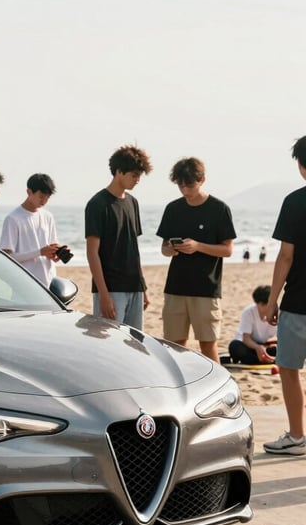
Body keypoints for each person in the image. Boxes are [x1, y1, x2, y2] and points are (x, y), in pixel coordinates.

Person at [156, 157, 236, 363]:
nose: (184, 189)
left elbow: (227, 250)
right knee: (174, 346)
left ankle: (217, 390)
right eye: (180, 184)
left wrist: (198, 246)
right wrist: (170, 249)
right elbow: (164, 249)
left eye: (189, 184)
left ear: (202, 180)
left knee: (208, 345)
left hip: (206, 288)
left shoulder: (219, 209)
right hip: (175, 286)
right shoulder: (173, 209)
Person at [263, 136, 306, 455]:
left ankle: (296, 436)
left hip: (298, 302)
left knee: (290, 369)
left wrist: (271, 299)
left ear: (302, 167)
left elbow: (286, 257)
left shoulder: (294, 202)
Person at [84, 145, 152, 329]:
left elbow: (133, 248)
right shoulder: (98, 204)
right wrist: (104, 294)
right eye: (134, 175)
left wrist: (142, 287)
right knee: (107, 346)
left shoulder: (132, 202)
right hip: (112, 289)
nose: (137, 180)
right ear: (119, 171)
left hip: (134, 287)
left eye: (139, 175)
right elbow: (92, 252)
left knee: (135, 346)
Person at [0, 173, 67, 288]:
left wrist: (58, 252)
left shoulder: (48, 216)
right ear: (29, 192)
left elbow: (51, 248)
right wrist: (39, 252)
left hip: (49, 280)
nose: (44, 201)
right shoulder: (13, 219)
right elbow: (7, 257)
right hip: (24, 284)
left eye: (47, 197)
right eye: (41, 196)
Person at [228, 285, 277, 366]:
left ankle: (257, 360)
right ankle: (257, 360)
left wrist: (272, 344)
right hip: (250, 345)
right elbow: (246, 339)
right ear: (258, 304)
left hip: (266, 346)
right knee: (235, 346)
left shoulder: (277, 313)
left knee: (281, 349)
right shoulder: (248, 312)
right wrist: (257, 348)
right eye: (263, 305)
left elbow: (281, 336)